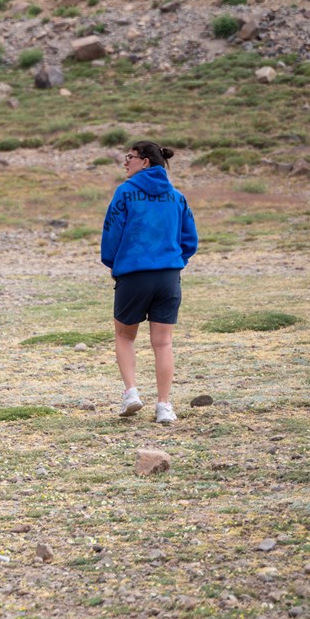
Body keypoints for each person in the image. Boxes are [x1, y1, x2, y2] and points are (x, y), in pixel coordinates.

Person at [101, 141, 198, 425]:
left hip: (133, 274)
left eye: (129, 157)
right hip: (169, 276)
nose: (124, 162)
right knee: (163, 343)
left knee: (124, 336)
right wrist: (174, 262)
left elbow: (111, 234)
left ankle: (131, 393)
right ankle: (164, 406)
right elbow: (189, 240)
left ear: (145, 162)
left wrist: (114, 263)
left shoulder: (125, 192)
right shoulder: (178, 197)